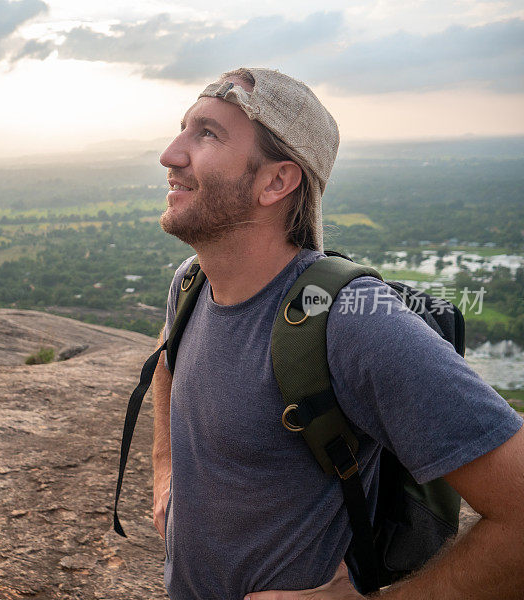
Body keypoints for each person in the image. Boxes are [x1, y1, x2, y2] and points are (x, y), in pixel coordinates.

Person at [151, 67, 524, 600]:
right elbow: (167, 364)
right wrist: (166, 473)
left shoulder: (351, 321)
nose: (170, 153)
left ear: (276, 181)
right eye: (184, 128)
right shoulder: (191, 284)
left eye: (206, 134)